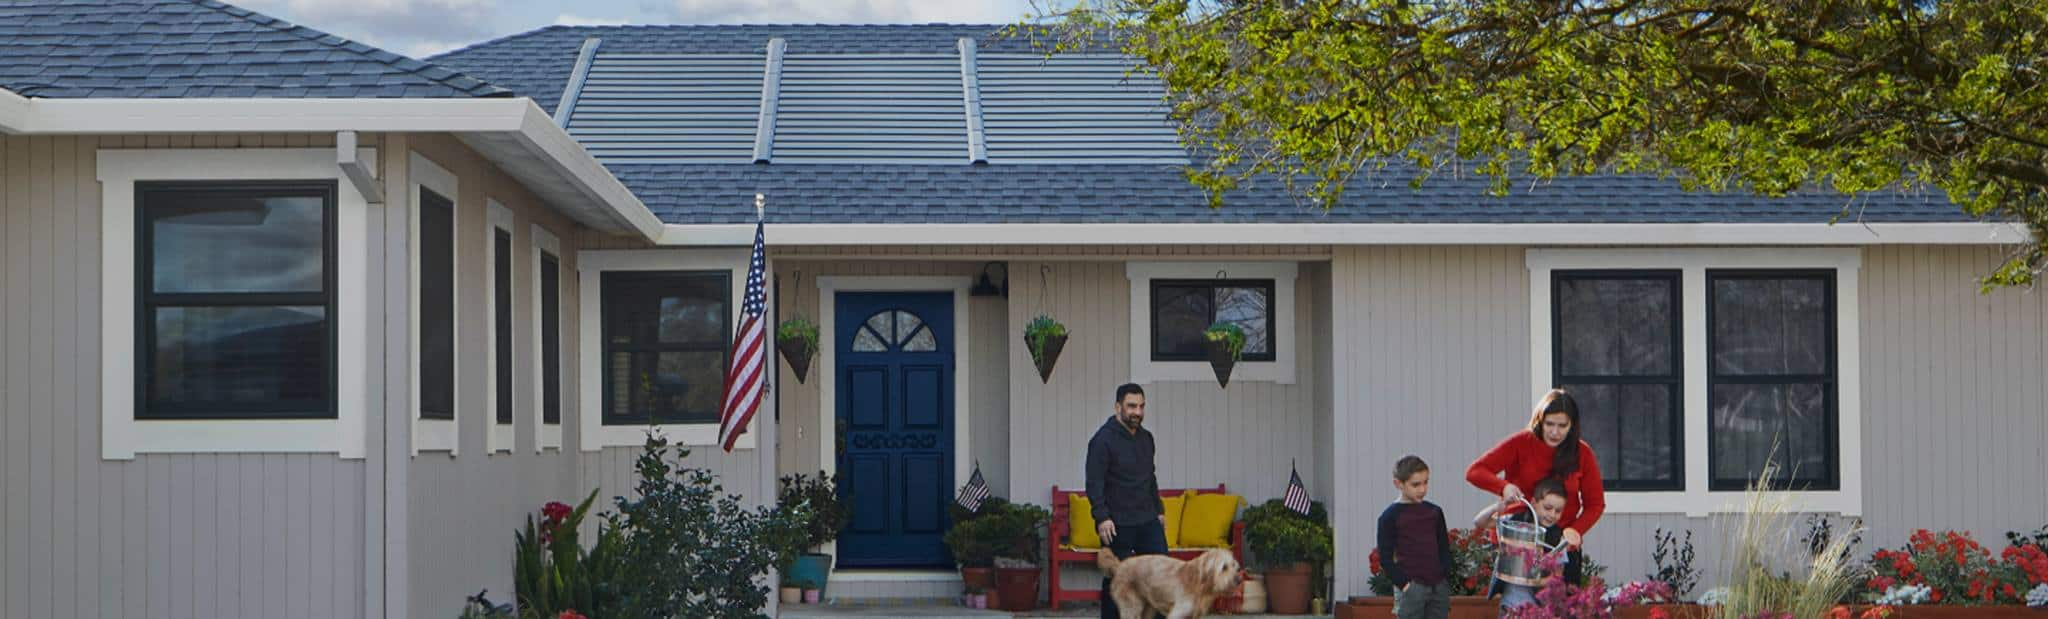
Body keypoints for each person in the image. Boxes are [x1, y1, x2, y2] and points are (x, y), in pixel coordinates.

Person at [1465, 388, 1605, 587]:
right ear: (1540, 419)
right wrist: (1503, 487)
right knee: (1518, 606)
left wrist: (1575, 531)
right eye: (1549, 424)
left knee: (1562, 608)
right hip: (1521, 539)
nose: (1555, 432)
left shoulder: (1582, 453)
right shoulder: (1521, 443)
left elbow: (1595, 504)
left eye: (1562, 426)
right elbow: (1475, 471)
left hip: (1561, 544)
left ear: (1572, 426)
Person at [1087, 383, 1166, 619]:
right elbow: (1094, 483)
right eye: (1132, 406)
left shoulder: (1146, 439)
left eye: (1141, 406)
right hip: (1116, 522)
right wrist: (1102, 518)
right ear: (1118, 407)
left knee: (1160, 574)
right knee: (1117, 577)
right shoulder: (1102, 441)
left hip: (1146, 518)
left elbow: (1150, 478)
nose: (1138, 412)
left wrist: (1158, 510)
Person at [1473, 478, 1570, 612]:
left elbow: (1557, 576)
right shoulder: (1517, 523)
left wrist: (1531, 579)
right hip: (1512, 603)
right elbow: (1479, 522)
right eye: (1547, 508)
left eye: (1558, 511)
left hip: (1539, 609)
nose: (1552, 515)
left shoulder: (1557, 537)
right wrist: (1498, 506)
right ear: (1534, 503)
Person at [1377, 455, 1451, 619]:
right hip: (1411, 589)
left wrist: (1444, 577)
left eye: (1426, 482)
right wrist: (1405, 586)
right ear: (1398, 483)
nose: (1422, 489)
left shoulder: (1434, 512)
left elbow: (1443, 547)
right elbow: (1385, 558)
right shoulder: (1389, 517)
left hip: (1438, 588)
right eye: (1416, 484)